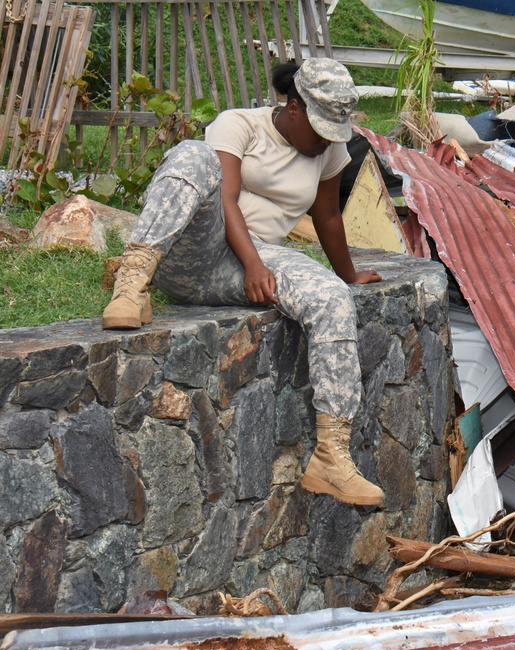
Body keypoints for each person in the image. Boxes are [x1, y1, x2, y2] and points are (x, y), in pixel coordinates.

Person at [102, 58, 385, 507]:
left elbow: (327, 215)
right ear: (294, 106)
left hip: (251, 264)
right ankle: (131, 283)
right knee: (193, 154)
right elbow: (227, 198)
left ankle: (332, 457)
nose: (326, 140)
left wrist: (348, 275)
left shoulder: (329, 147)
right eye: (319, 128)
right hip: (197, 253)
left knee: (332, 298)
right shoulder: (238, 125)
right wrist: (253, 263)